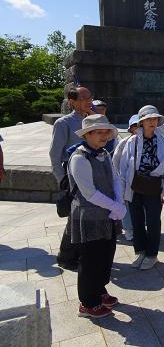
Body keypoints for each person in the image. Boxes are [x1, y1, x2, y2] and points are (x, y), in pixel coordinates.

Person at [68, 114, 125, 318]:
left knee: (106, 254)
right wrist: (115, 206)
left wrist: (119, 203)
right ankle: (88, 303)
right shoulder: (79, 158)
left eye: (105, 132)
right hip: (89, 215)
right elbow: (89, 192)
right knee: (90, 259)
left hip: (108, 214)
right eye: (98, 132)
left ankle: (99, 290)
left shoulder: (105, 154)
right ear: (87, 135)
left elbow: (115, 178)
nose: (103, 136)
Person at [119, 105, 164, 270]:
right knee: (137, 221)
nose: (152, 122)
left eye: (155, 119)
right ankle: (141, 251)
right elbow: (123, 167)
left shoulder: (163, 142)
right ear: (141, 122)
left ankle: (152, 254)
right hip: (135, 185)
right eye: (149, 119)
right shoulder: (132, 141)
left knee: (153, 222)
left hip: (154, 186)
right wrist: (122, 191)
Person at [50, 87, 95, 271]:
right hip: (72, 174)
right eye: (83, 98)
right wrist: (63, 180)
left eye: (90, 97)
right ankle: (66, 256)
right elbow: (54, 154)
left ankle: (82, 252)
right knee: (75, 216)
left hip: (93, 171)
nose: (88, 100)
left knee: (87, 214)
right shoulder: (63, 123)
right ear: (72, 102)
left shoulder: (92, 119)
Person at [112, 115, 139, 241]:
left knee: (140, 206)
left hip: (143, 182)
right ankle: (128, 230)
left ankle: (139, 227)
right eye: (135, 126)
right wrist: (119, 177)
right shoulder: (124, 143)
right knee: (127, 206)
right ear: (131, 129)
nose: (138, 129)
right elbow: (116, 161)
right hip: (126, 181)